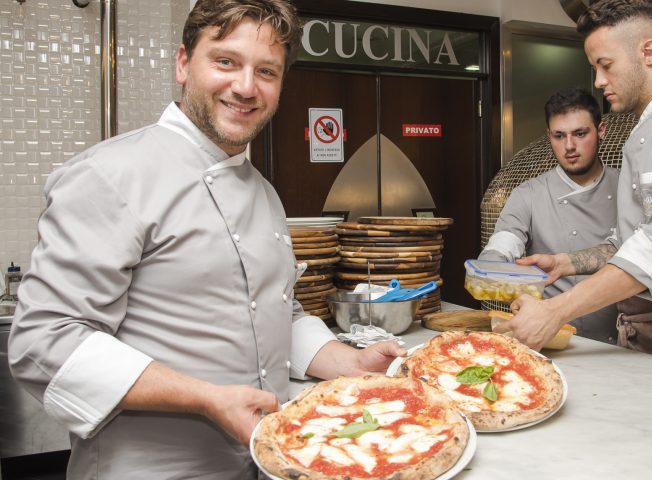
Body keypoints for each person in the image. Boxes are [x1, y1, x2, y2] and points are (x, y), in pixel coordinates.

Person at [7, 1, 404, 478]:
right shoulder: (109, 175)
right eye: (226, 61)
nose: (245, 87)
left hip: (260, 464)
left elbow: (271, 311)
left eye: (267, 71)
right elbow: (44, 342)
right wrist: (207, 399)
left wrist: (350, 363)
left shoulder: (263, 192)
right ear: (182, 64)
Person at [496, 0, 652, 377]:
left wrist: (554, 311)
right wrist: (565, 263)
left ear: (648, 51)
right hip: (642, 328)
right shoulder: (640, 132)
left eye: (606, 65)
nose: (599, 81)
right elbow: (630, 241)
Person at [479, 88, 619, 344]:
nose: (569, 146)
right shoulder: (529, 193)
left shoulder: (625, 189)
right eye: (559, 135)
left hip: (620, 342)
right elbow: (505, 241)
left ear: (601, 131)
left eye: (580, 133)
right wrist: (492, 263)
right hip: (550, 339)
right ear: (549, 136)